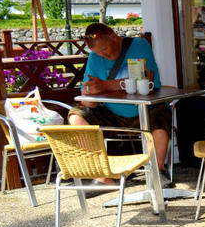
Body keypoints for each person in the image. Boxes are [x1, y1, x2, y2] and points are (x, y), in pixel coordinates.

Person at [69, 23, 172, 190]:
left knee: (159, 120)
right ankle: (103, 176)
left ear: (113, 36)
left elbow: (144, 77)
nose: (102, 54)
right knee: (76, 116)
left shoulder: (138, 45)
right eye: (97, 53)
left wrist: (104, 86)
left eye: (104, 49)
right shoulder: (95, 57)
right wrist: (89, 96)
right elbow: (87, 96)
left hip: (145, 110)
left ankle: (157, 172)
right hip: (113, 112)